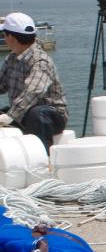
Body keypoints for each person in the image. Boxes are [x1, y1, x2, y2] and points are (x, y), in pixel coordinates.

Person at [0, 12, 68, 150]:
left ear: (11, 37)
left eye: (4, 35)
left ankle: (43, 159)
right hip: (21, 113)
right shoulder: (12, 58)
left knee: (36, 113)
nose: (3, 38)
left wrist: (10, 116)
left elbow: (34, 91)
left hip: (50, 115)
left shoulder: (40, 60)